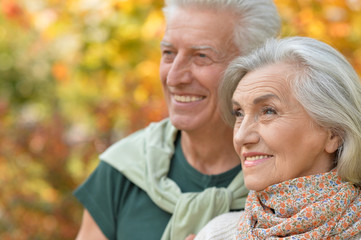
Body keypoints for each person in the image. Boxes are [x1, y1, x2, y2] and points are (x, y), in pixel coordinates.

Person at [74, 0, 281, 239]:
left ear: (253, 68)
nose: (173, 78)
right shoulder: (122, 169)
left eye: (201, 56)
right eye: (169, 54)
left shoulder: (293, 176)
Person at [192, 36, 361, 240]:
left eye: (268, 111)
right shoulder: (215, 235)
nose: (241, 136)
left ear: (334, 133)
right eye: (239, 113)